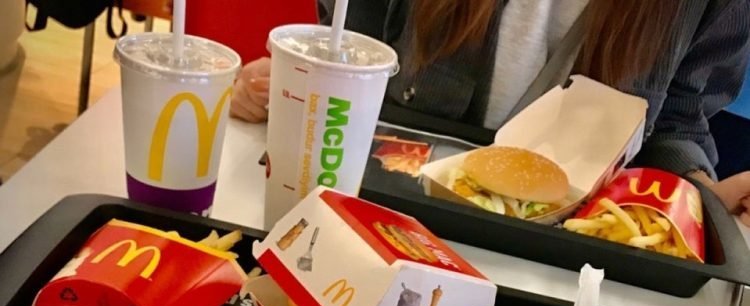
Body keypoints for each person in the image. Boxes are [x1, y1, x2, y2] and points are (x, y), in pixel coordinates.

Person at [230, 0, 750, 225]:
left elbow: (677, 117)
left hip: (563, 260)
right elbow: (350, 46)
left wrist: (701, 192)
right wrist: (290, 86)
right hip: (382, 209)